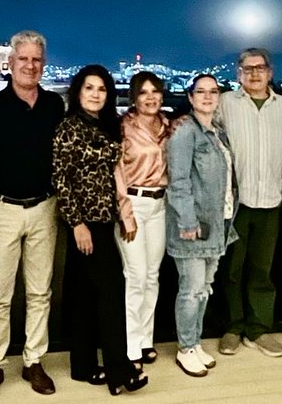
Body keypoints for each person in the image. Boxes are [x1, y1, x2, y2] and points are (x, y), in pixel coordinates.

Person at [0, 31, 63, 402]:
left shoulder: (54, 106)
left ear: (43, 64)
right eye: (23, 59)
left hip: (44, 208)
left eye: (36, 60)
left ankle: (34, 360)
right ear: (10, 63)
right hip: (1, 209)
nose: (30, 66)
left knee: (40, 291)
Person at [54, 65, 149, 395]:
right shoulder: (69, 128)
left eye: (101, 89)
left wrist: (123, 216)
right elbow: (61, 179)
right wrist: (77, 223)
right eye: (89, 88)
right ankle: (119, 371)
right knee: (111, 294)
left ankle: (82, 366)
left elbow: (117, 177)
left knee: (84, 296)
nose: (95, 94)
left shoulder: (107, 126)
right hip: (84, 223)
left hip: (105, 219)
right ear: (78, 91)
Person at [216, 48, 282, 359]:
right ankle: (233, 326)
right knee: (232, 268)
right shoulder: (226, 104)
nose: (255, 74)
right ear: (238, 73)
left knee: (262, 269)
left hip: (271, 200)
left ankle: (258, 328)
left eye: (260, 68)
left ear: (270, 72)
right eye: (248, 69)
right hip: (237, 201)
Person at [166, 74, 238, 378]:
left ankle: (194, 343)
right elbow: (178, 182)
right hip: (193, 225)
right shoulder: (185, 133)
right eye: (201, 92)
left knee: (205, 288)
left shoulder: (217, 132)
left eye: (213, 91)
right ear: (191, 97)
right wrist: (187, 221)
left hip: (217, 222)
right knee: (191, 289)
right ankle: (185, 347)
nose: (207, 96)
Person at [115, 71, 170, 367]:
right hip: (133, 204)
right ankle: (131, 344)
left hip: (160, 205)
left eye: (155, 91)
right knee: (134, 277)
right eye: (143, 92)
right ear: (134, 97)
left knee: (152, 276)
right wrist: (126, 214)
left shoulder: (168, 126)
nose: (150, 97)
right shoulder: (124, 127)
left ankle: (146, 339)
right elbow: (117, 173)